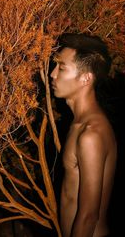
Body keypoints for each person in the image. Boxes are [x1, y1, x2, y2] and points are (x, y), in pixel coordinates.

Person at [50, 33, 117, 237]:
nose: (53, 74)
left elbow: (89, 216)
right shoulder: (80, 124)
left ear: (86, 78)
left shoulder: (91, 134)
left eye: (61, 68)